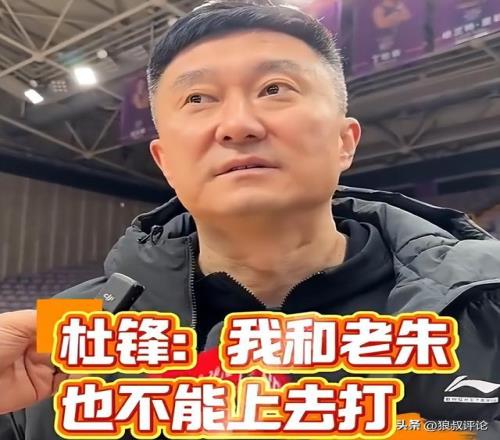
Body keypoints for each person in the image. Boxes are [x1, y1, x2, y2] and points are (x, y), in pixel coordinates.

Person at [2, 0, 500, 438]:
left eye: (275, 88)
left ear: (343, 141)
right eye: (198, 99)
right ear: (165, 162)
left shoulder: (486, 305)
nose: (238, 125)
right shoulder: (63, 339)